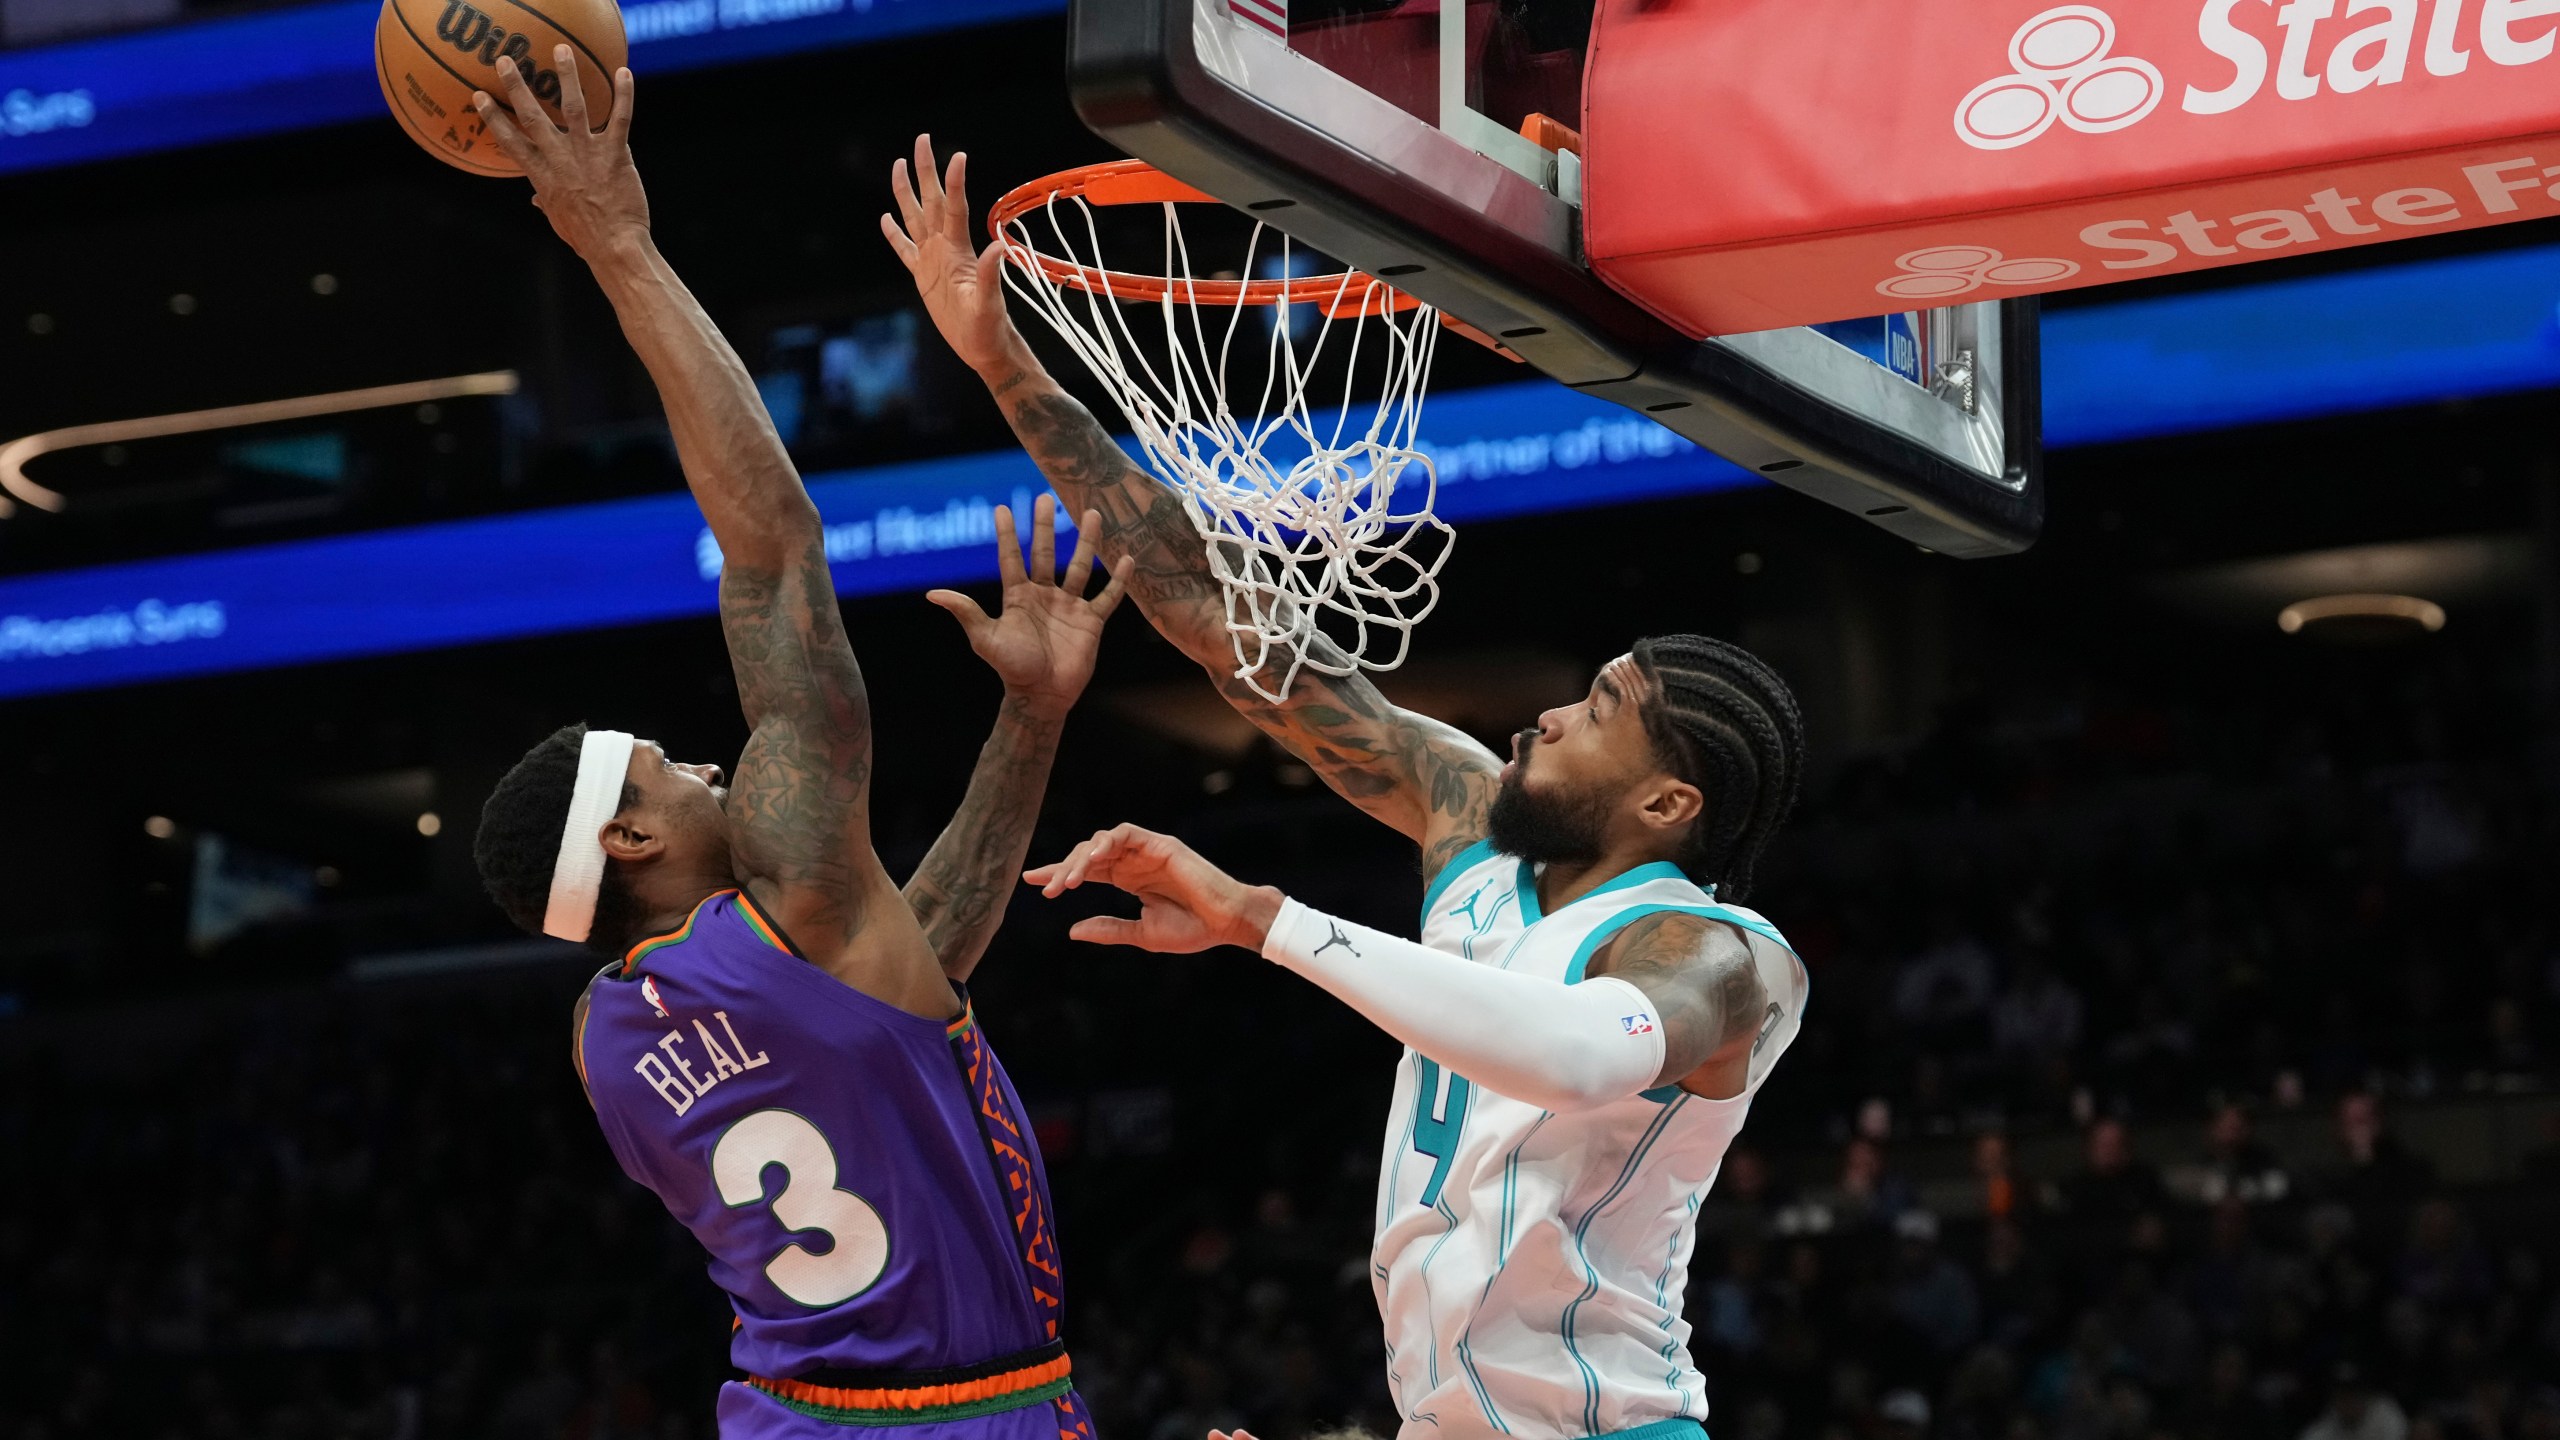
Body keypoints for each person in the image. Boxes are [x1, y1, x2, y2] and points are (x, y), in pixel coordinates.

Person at [884, 139, 1810, 1440]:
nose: (1551, 711)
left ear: (1669, 806)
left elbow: (1569, 1052)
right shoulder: (1463, 817)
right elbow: (1216, 615)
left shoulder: (1720, 960)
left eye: (1601, 712)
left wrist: (1267, 919)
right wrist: (1000, 362)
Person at [463, 63, 1129, 1439]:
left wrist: (1032, 718)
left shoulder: (605, 1038)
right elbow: (770, 556)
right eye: (674, 773)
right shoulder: (793, 888)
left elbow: (916, 963)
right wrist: (618, 244)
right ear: (629, 844)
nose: (711, 766)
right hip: (960, 1412)